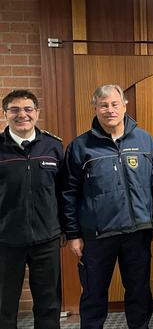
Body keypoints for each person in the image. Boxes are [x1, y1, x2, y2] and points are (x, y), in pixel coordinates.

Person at [61, 84, 153, 329]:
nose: (110, 110)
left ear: (124, 106)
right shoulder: (80, 146)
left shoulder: (145, 140)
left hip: (138, 232)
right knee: (93, 295)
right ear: (95, 108)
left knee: (139, 292)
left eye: (115, 104)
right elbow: (69, 193)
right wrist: (73, 234)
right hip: (96, 234)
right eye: (104, 105)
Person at [0, 90, 64, 329]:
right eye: (14, 110)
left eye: (28, 109)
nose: (22, 115)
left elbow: (63, 192)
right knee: (3, 305)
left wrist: (66, 228)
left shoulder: (53, 146)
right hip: (5, 240)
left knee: (48, 305)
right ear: (5, 114)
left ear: (37, 113)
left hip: (46, 238)